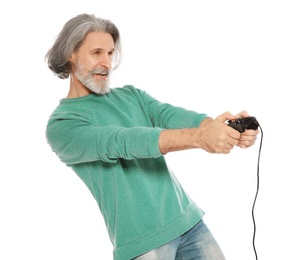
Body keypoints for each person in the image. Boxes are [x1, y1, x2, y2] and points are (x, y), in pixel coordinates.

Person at [45, 13, 259, 260]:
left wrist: (222, 128)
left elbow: (170, 115)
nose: (107, 62)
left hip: (188, 221)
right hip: (142, 242)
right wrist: (202, 137)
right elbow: (123, 142)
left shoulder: (131, 95)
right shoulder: (62, 124)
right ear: (70, 54)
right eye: (97, 53)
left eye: (110, 53)